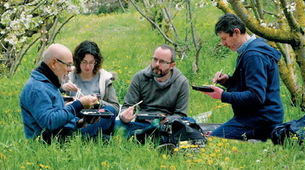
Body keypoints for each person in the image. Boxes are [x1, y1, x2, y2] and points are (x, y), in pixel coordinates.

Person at [201, 13, 283, 141]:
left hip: (260, 121)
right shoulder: (251, 49)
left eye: (224, 38)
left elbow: (256, 96)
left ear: (236, 32)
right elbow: (252, 85)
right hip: (256, 117)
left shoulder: (253, 55)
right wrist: (228, 81)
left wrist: (223, 95)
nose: (223, 43)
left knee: (211, 142)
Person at [20, 43, 116, 142]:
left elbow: (57, 114)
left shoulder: (49, 82)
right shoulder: (37, 88)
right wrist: (78, 105)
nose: (70, 69)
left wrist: (81, 122)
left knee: (108, 118)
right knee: (108, 138)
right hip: (52, 140)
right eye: (68, 65)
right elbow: (50, 122)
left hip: (63, 133)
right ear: (54, 63)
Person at [118, 44, 191, 136]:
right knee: (118, 125)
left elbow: (181, 114)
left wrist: (166, 120)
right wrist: (124, 116)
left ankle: (144, 135)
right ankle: (148, 135)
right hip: (142, 122)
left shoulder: (181, 82)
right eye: (155, 59)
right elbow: (127, 105)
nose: (156, 64)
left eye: (162, 62)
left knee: (189, 122)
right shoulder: (139, 77)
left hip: (167, 124)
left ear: (172, 65)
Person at [61, 40, 120, 111]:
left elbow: (115, 108)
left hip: (97, 118)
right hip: (73, 116)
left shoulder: (104, 78)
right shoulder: (68, 75)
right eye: (84, 62)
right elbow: (53, 102)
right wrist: (62, 88)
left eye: (91, 62)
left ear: (96, 62)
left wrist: (98, 102)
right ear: (78, 61)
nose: (87, 67)